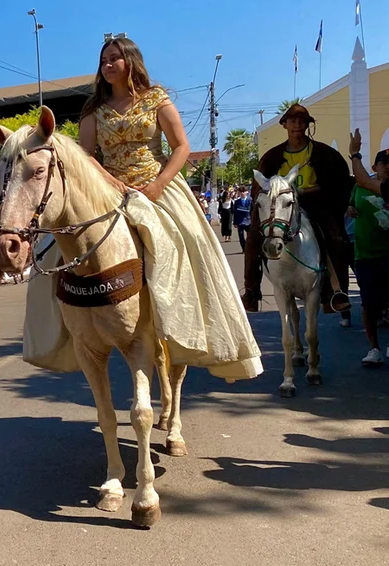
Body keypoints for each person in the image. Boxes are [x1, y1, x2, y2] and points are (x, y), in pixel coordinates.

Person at [79, 36, 261, 380]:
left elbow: (180, 147)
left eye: (115, 58)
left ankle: (191, 319)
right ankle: (72, 327)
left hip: (157, 185)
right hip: (107, 190)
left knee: (191, 238)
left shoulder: (156, 100)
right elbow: (86, 155)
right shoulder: (93, 111)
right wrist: (111, 182)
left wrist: (158, 184)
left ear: (130, 62)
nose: (107, 64)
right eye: (104, 59)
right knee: (61, 248)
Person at [242, 104, 353, 313]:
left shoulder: (324, 154)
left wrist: (307, 192)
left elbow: (337, 184)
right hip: (280, 207)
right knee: (253, 240)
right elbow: (259, 188)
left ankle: (334, 293)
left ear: (307, 125)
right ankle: (251, 291)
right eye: (292, 121)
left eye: (302, 121)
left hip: (315, 204)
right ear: (284, 125)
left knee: (336, 238)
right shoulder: (272, 156)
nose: (297, 125)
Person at [346, 132, 389, 365]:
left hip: (387, 255)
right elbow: (353, 201)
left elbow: (363, 179)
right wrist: (350, 210)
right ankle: (374, 349)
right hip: (365, 255)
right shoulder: (359, 188)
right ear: (376, 166)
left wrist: (354, 152)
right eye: (385, 163)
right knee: (369, 304)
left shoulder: (380, 186)